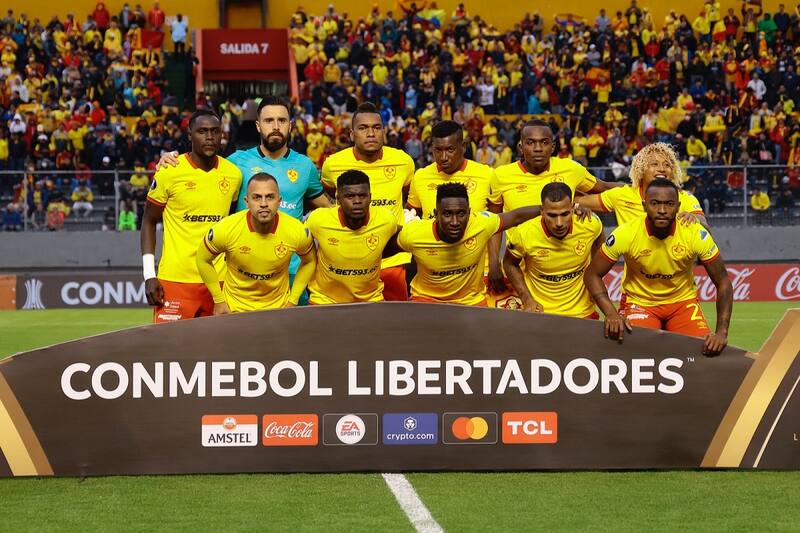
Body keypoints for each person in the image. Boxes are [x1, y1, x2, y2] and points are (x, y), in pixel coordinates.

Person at [158, 96, 331, 304]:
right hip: (242, 275)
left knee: (291, 335)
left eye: (282, 121)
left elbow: (328, 211)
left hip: (291, 271)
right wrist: (170, 159)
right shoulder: (236, 163)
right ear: (258, 126)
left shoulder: (305, 166)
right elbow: (200, 162)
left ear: (291, 125)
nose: (275, 126)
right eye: (269, 121)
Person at [584, 179, 732, 357]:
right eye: (655, 204)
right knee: (636, 355)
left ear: (678, 206)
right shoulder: (626, 233)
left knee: (701, 354)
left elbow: (723, 281)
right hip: (640, 304)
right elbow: (592, 274)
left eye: (669, 204)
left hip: (682, 304)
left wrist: (721, 333)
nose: (662, 210)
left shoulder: (695, 234)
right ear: (644, 205)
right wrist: (610, 313)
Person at [488, 119, 618, 291]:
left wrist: (644, 190)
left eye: (544, 142)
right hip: (520, 268)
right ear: (520, 147)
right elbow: (495, 223)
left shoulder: (571, 169)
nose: (538, 148)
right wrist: (493, 263)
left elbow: (605, 188)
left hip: (566, 273)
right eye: (530, 143)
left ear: (553, 146)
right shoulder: (501, 176)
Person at [141, 109, 243, 323]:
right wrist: (149, 274)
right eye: (202, 131)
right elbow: (148, 221)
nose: (209, 137)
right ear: (189, 135)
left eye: (215, 131)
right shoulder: (170, 171)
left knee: (216, 351)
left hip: (219, 282)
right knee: (170, 351)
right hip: (175, 280)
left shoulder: (233, 174)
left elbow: (232, 222)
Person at [321, 102, 416, 301]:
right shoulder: (333, 164)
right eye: (363, 128)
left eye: (376, 127)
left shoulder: (404, 161)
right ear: (352, 134)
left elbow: (407, 195)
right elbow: (329, 195)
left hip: (392, 259)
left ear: (384, 131)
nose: (371, 133)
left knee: (392, 322)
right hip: (349, 259)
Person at [397, 183, 541, 306]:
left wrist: (545, 209)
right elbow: (383, 249)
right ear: (436, 214)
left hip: (471, 302)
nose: (454, 222)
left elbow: (515, 216)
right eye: (447, 214)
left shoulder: (481, 224)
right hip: (426, 300)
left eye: (461, 214)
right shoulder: (413, 234)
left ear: (469, 213)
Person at [196, 173, 315, 313]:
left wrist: (293, 300)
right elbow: (202, 259)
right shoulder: (226, 229)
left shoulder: (297, 231)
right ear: (246, 201)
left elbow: (310, 261)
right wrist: (219, 301)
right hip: (235, 309)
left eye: (270, 197)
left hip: (278, 309)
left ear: (279, 201)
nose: (264, 204)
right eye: (257, 197)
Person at [503, 182, 605, 318]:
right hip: (541, 313)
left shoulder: (590, 224)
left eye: (565, 214)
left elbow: (599, 238)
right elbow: (509, 263)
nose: (559, 223)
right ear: (541, 210)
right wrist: (526, 298)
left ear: (573, 208)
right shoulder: (523, 233)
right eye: (552, 215)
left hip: (583, 312)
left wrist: (594, 276)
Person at [305, 170, 399, 305]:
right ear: (338, 199)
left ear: (370, 197)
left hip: (371, 299)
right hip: (324, 300)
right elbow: (298, 243)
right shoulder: (318, 220)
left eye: (362, 196)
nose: (357, 201)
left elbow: (399, 242)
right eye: (350, 196)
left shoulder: (386, 220)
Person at [577, 142, 709, 228]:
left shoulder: (686, 198)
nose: (662, 169)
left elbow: (705, 226)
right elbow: (574, 202)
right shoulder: (622, 194)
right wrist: (578, 206)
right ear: (641, 170)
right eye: (654, 164)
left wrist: (695, 219)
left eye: (667, 165)